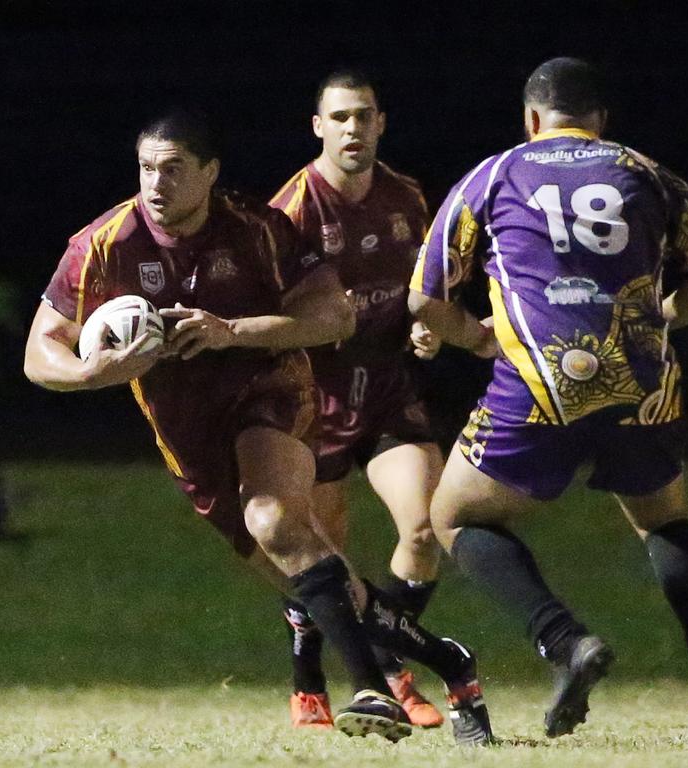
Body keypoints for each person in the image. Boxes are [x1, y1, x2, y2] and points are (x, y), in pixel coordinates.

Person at [24, 109, 490, 745]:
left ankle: (372, 691)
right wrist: (88, 374)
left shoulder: (257, 229)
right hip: (189, 435)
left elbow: (333, 316)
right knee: (314, 581)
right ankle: (449, 663)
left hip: (270, 393)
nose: (155, 184)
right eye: (145, 168)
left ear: (209, 173)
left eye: (173, 169)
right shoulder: (103, 245)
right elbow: (40, 350)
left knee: (272, 517)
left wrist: (230, 331)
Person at [409, 57, 688, 746]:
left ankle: (566, 642)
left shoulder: (497, 173)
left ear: (532, 119)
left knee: (452, 517)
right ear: (600, 122)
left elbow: (424, 298)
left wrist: (474, 338)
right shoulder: (647, 172)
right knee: (664, 519)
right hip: (641, 380)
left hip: (541, 383)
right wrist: (657, 318)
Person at [269, 70, 454, 730]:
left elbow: (425, 288)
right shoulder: (292, 209)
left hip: (384, 384)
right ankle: (308, 677)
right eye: (340, 117)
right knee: (326, 552)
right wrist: (317, 319)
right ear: (319, 127)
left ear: (382, 123)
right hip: (312, 395)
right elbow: (268, 311)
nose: (353, 128)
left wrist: (429, 323)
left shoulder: (406, 196)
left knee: (427, 527)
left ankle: (387, 664)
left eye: (364, 116)